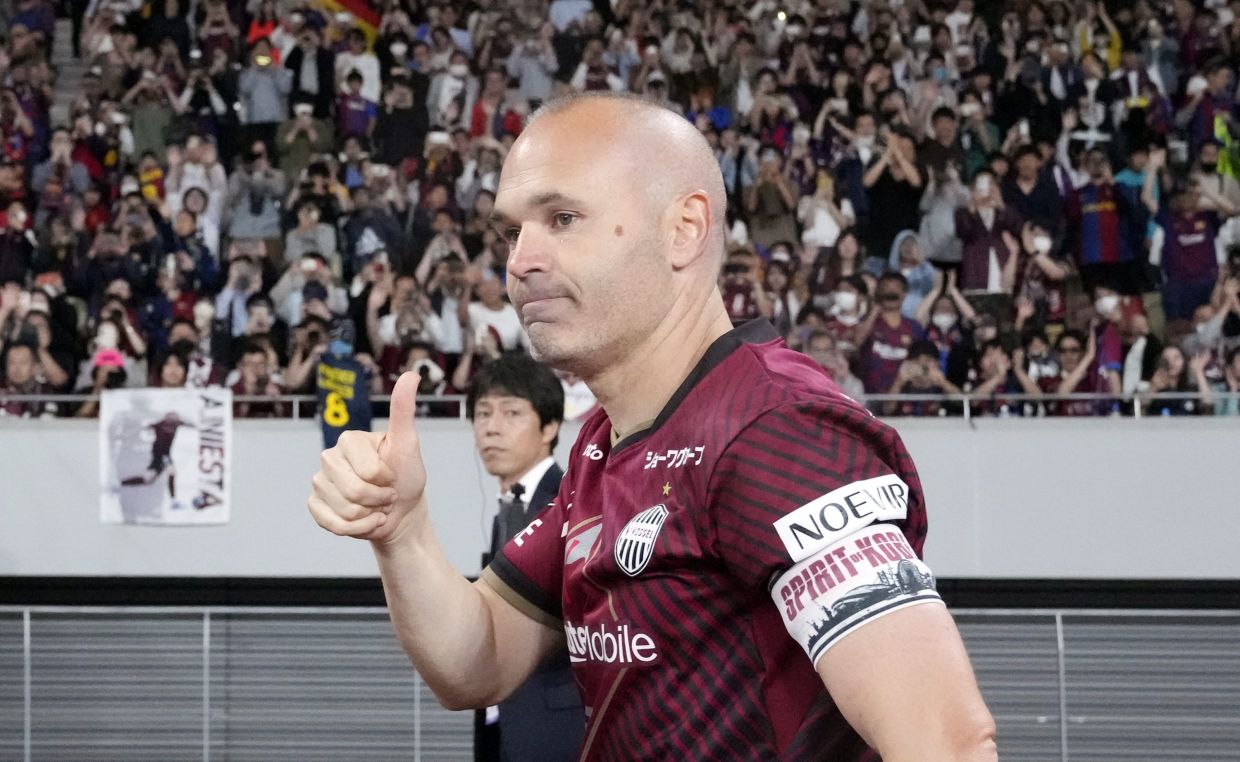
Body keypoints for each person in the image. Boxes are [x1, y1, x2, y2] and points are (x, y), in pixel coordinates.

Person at [310, 93, 995, 760]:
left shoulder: (777, 430)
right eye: (512, 231)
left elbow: (947, 742)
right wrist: (401, 532)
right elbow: (478, 659)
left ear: (684, 230)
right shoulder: (602, 447)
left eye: (564, 217)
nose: (520, 261)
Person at [467, 353, 585, 762]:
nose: (491, 427)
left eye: (511, 412)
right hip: (506, 724)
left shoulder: (572, 502)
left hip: (557, 727)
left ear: (550, 425)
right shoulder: (506, 509)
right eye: (482, 413)